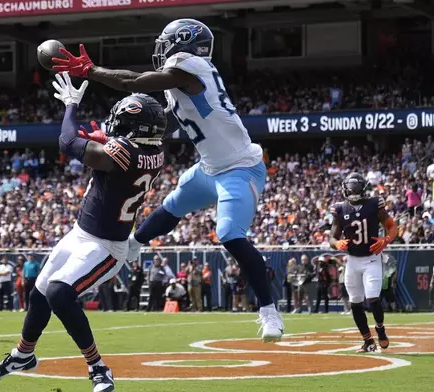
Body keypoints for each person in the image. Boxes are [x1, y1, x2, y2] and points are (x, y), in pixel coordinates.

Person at [53, 18, 283, 341]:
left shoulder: (189, 68)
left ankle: (270, 312)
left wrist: (90, 70)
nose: (162, 49)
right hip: (210, 167)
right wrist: (107, 135)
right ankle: (133, 246)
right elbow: (165, 127)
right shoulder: (181, 82)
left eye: (168, 43)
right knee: (171, 206)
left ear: (183, 44)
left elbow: (133, 80)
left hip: (241, 167)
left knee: (229, 233)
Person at [0, 73, 166, 392]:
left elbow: (67, 142)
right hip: (81, 233)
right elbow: (121, 153)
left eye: (121, 123)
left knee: (58, 292)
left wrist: (71, 105)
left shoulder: (123, 153)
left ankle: (98, 367)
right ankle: (23, 355)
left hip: (107, 246)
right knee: (39, 292)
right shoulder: (153, 151)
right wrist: (105, 140)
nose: (114, 127)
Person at [330, 172, 398, 353]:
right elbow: (332, 236)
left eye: (356, 189)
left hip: (371, 259)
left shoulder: (375, 204)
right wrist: (337, 243)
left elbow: (392, 227)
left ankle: (380, 329)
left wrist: (386, 240)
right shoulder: (340, 208)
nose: (353, 193)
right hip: (352, 260)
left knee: (373, 298)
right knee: (355, 302)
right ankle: (367, 341)